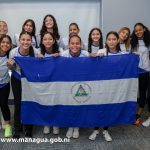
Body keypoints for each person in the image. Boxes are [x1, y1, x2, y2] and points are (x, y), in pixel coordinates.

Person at [89, 31, 124, 142]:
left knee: (109, 107)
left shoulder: (122, 54)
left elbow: (124, 68)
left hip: (114, 86)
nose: (111, 41)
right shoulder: (101, 51)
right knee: (98, 106)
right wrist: (95, 56)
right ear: (106, 41)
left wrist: (135, 55)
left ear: (118, 40)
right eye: (109, 39)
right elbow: (93, 65)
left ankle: (105, 130)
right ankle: (95, 129)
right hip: (100, 85)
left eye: (114, 39)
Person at [7, 31, 40, 138]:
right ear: (19, 41)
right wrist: (10, 65)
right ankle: (17, 128)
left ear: (31, 41)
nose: (26, 42)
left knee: (29, 102)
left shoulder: (35, 52)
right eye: (23, 40)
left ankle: (29, 128)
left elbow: (41, 65)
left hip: (29, 80)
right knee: (18, 103)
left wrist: (41, 59)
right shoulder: (13, 52)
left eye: (28, 40)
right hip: (16, 78)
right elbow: (11, 69)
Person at [61, 35, 89, 139]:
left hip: (81, 84)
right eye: (72, 43)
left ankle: (76, 126)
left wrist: (96, 56)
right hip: (67, 84)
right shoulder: (64, 54)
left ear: (81, 45)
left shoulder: (85, 54)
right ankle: (70, 126)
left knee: (78, 104)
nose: (75, 45)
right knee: (69, 104)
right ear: (68, 45)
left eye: (77, 43)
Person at [38, 31, 60, 135]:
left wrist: (59, 56)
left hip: (56, 82)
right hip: (44, 82)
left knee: (55, 102)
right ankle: (46, 123)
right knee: (45, 102)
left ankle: (55, 123)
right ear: (42, 41)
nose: (48, 41)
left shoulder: (60, 51)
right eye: (45, 39)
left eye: (50, 39)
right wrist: (37, 59)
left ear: (54, 40)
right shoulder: (38, 52)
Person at [130, 23, 150, 126]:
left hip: (145, 71)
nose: (138, 32)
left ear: (144, 29)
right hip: (134, 72)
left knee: (143, 93)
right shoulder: (133, 41)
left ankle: (139, 114)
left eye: (140, 30)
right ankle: (134, 114)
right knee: (133, 93)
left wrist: (140, 54)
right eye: (136, 30)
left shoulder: (148, 42)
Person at [0, 35, 12, 137]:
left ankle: (8, 126)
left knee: (3, 104)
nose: (5, 44)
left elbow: (12, 71)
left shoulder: (10, 56)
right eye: (3, 42)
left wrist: (11, 66)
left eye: (8, 43)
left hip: (4, 84)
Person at [0, 20, 9, 129]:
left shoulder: (9, 49)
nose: (2, 28)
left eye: (4, 26)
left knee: (3, 103)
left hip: (4, 83)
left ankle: (6, 124)